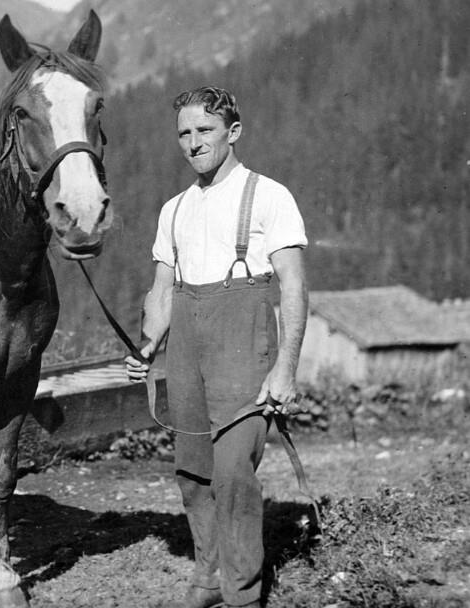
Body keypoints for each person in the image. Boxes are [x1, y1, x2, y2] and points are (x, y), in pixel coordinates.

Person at [125, 86, 308, 608]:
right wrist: (147, 346)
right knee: (192, 472)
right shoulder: (174, 209)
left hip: (244, 347)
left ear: (234, 132)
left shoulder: (268, 195)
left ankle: (243, 594)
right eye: (184, 133)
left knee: (232, 474)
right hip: (186, 348)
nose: (193, 142)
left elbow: (295, 287)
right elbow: (162, 290)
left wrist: (285, 369)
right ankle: (207, 578)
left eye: (204, 130)